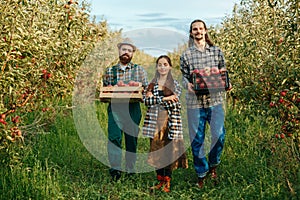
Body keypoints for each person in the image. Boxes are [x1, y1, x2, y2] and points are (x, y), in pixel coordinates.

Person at [180, 19, 232, 188]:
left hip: (215, 101)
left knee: (218, 135)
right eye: (195, 29)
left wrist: (227, 83)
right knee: (197, 139)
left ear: (205, 31)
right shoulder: (186, 55)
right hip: (195, 103)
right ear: (191, 33)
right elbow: (184, 77)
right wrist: (186, 84)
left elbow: (223, 71)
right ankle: (201, 173)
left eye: (201, 28)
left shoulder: (216, 51)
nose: (198, 31)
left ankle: (214, 165)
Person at [102, 38, 148, 181]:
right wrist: (111, 90)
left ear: (133, 53)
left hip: (133, 108)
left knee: (131, 139)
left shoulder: (139, 70)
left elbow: (145, 89)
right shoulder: (110, 71)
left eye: (129, 50)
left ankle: (130, 169)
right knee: (114, 137)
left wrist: (139, 88)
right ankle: (115, 169)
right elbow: (106, 89)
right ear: (119, 51)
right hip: (116, 108)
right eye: (124, 50)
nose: (126, 53)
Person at [143, 55, 188, 193]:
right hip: (155, 122)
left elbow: (175, 103)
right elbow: (146, 101)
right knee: (156, 150)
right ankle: (159, 181)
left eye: (165, 64)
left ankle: (167, 182)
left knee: (168, 151)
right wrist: (166, 98)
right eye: (160, 64)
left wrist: (155, 98)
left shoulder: (175, 84)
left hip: (171, 122)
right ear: (157, 67)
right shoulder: (152, 84)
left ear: (169, 66)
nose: (162, 67)